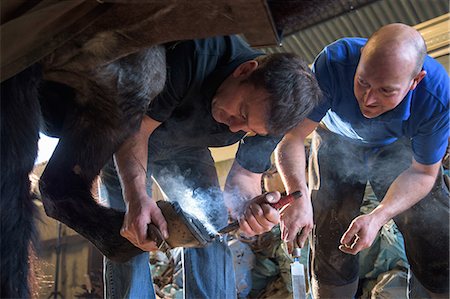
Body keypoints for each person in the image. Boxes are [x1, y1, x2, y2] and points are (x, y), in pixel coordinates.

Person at [100, 35, 322, 298]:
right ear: (244, 70)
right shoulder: (195, 55)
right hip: (129, 138)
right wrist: (136, 197)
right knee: (132, 230)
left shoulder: (272, 120)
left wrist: (251, 210)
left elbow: (244, 181)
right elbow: (136, 130)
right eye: (241, 112)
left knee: (210, 223)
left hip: (186, 149)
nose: (235, 128)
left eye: (248, 129)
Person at [275, 23, 449, 298]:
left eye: (386, 91)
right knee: (331, 231)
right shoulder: (334, 62)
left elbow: (424, 173)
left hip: (399, 145)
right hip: (334, 138)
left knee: (432, 227)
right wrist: (297, 195)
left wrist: (379, 216)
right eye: (362, 82)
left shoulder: (436, 97)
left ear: (415, 82)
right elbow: (292, 138)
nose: (368, 100)